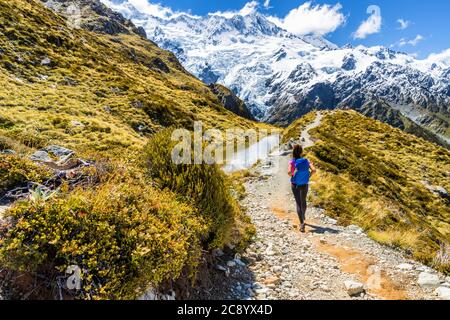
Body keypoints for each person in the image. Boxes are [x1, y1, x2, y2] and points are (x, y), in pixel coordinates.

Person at [288, 145, 316, 233]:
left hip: (295, 184)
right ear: (301, 152)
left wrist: (293, 175)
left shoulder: (292, 162)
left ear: (293, 152)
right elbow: (314, 170)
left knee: (298, 202)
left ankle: (302, 223)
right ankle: (303, 215)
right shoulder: (306, 161)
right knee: (303, 201)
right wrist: (308, 176)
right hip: (304, 184)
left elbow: (289, 172)